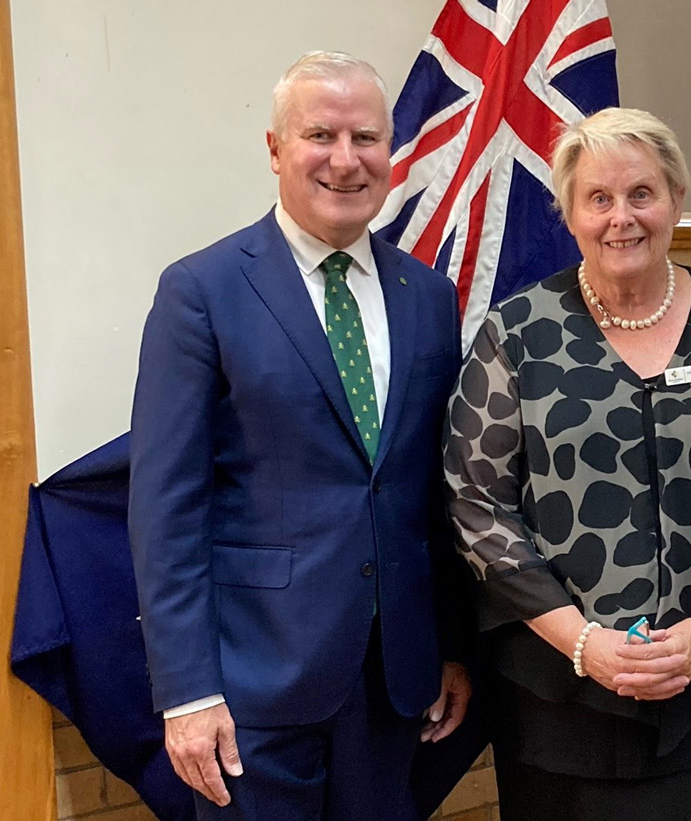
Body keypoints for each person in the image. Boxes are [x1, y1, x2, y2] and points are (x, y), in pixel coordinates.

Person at [443, 107, 691, 821]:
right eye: (599, 198)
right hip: (560, 696)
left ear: (676, 197)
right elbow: (477, 501)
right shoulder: (516, 332)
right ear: (570, 213)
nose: (623, 217)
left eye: (642, 193)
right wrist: (585, 644)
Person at [129, 51, 470, 820]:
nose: (345, 160)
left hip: (394, 682)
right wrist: (186, 688)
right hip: (253, 686)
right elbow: (165, 507)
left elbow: (430, 494)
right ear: (276, 149)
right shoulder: (201, 291)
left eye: (367, 138)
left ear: (392, 151)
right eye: (320, 134)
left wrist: (450, 643)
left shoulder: (429, 295)